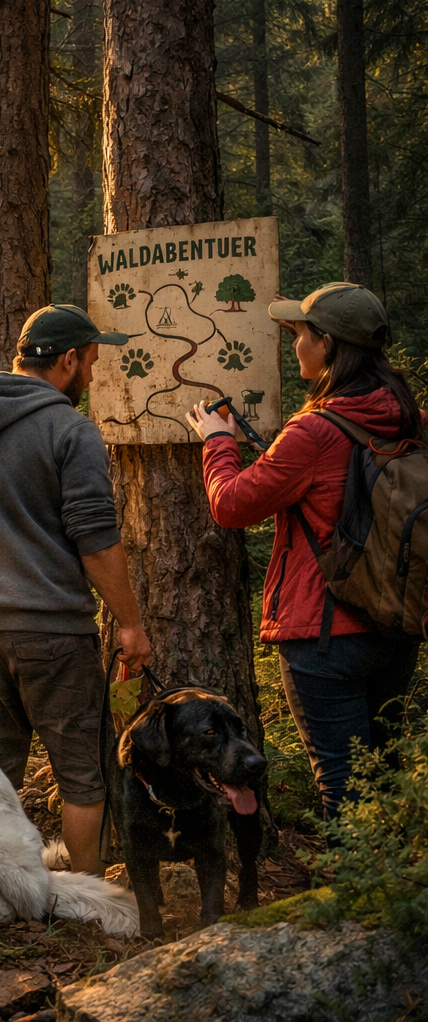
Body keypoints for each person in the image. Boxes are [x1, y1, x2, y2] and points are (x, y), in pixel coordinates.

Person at [0, 303, 152, 877]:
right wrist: (132, 626)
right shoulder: (70, 430)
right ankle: (83, 895)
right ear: (68, 360)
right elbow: (95, 538)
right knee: (81, 775)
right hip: (54, 631)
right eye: (89, 362)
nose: (90, 375)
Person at [186, 282, 420, 823]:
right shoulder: (411, 418)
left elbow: (232, 504)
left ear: (330, 344)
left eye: (301, 333)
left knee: (341, 782)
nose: (295, 344)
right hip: (396, 622)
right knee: (381, 773)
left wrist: (217, 440)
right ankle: (388, 887)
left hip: (324, 634)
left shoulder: (314, 430)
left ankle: (347, 900)